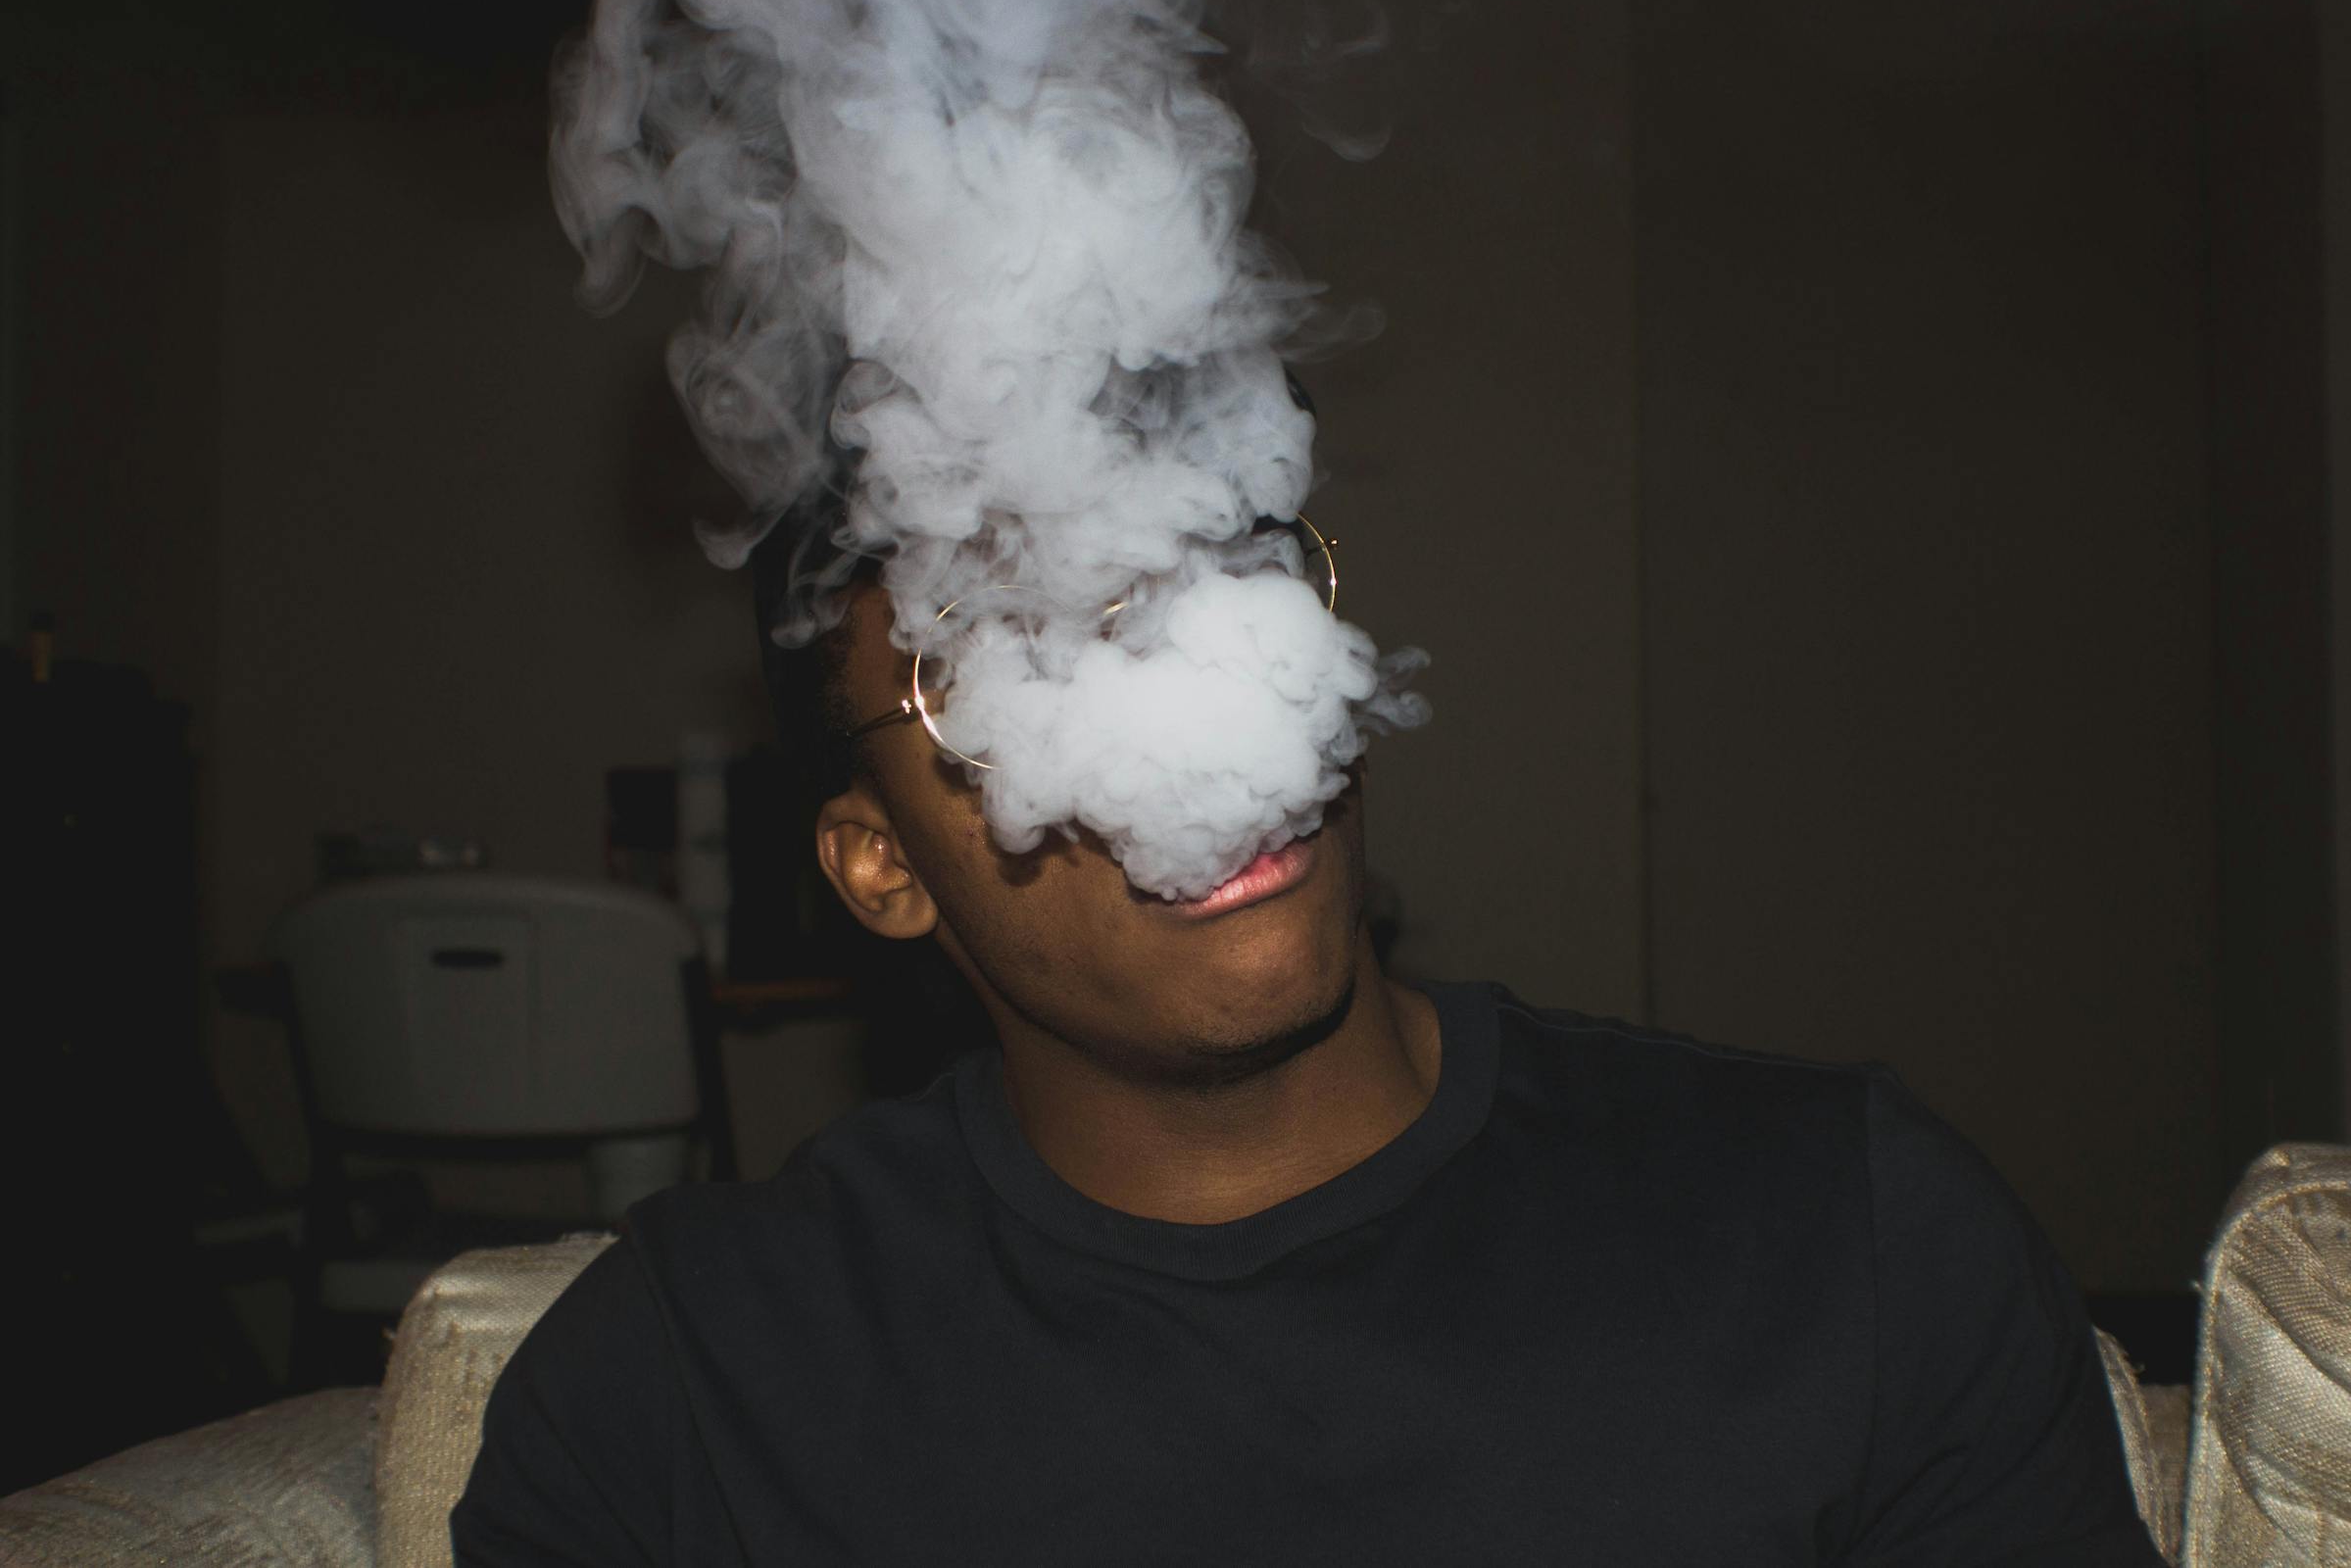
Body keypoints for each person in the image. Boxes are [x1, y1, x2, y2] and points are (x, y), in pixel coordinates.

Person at [451, 505, 2165, 1565]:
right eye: (1009, 674)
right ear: (881, 866)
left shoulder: (1843, 1229)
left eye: (1214, 590)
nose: (1187, 731)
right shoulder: (680, 1387)